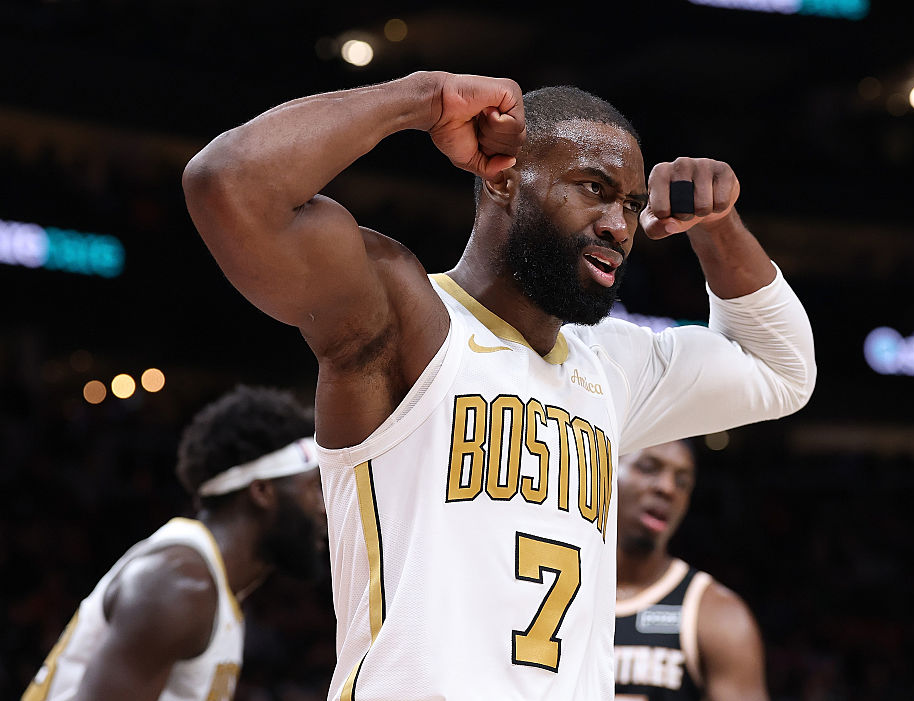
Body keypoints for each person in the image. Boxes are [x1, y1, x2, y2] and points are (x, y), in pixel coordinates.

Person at [181, 71, 816, 700]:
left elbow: (781, 371)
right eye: (592, 189)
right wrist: (421, 100)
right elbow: (229, 185)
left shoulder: (611, 367)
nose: (618, 226)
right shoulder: (406, 318)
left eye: (627, 203)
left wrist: (719, 225)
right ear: (503, 175)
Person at [22, 385, 328, 701]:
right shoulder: (180, 586)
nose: (326, 506)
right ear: (262, 491)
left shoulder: (210, 586)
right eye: (315, 487)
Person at [615, 440, 769, 701]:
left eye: (682, 482)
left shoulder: (719, 614)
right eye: (648, 468)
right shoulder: (549, 588)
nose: (667, 488)